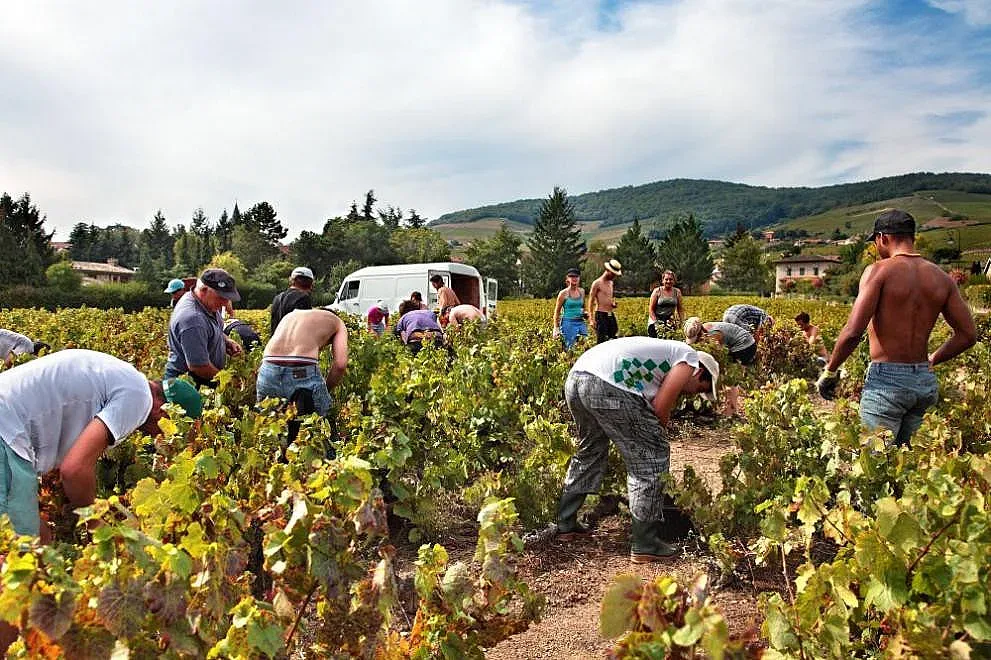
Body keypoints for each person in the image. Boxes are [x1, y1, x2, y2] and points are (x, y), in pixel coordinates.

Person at [0, 349, 202, 538]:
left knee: (37, 540)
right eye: (169, 430)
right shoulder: (140, 398)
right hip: (7, 431)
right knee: (27, 550)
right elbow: (74, 469)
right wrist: (95, 522)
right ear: (164, 410)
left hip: (9, 425)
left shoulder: (124, 378)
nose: (161, 438)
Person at [817, 209, 977, 446]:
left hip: (886, 382)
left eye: (876, 243)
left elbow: (852, 332)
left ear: (883, 238)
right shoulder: (942, 278)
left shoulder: (878, 271)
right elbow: (967, 335)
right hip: (924, 382)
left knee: (874, 469)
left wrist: (830, 371)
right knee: (911, 466)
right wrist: (932, 360)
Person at [555, 338, 719, 562]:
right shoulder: (688, 358)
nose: (692, 395)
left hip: (577, 377)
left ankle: (566, 523)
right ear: (700, 374)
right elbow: (660, 411)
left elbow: (649, 412)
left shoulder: (661, 358)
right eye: (700, 389)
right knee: (652, 456)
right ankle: (645, 543)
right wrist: (652, 450)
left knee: (590, 450)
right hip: (606, 384)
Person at [256, 307, 349, 418]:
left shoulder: (291, 315)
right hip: (300, 370)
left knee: (269, 425)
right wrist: (326, 389)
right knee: (324, 421)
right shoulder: (338, 322)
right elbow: (340, 364)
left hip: (267, 369)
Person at [165, 268, 244, 387]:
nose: (225, 302)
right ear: (203, 290)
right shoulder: (193, 318)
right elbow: (199, 367)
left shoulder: (206, 304)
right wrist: (229, 382)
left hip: (201, 381)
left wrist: (226, 340)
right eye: (221, 297)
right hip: (188, 386)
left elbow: (209, 328)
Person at [683, 317, 757, 365]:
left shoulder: (714, 334)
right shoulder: (705, 328)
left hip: (746, 346)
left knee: (730, 365)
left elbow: (719, 354)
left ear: (701, 332)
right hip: (744, 342)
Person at [271, 266, 314, 333]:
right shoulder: (303, 298)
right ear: (310, 283)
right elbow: (304, 327)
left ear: (292, 280)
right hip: (293, 342)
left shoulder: (278, 297)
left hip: (276, 341)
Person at [588, 259, 623, 343]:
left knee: (614, 335)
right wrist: (591, 319)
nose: (614, 276)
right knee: (602, 339)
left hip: (610, 314)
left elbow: (608, 297)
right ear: (607, 270)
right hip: (600, 314)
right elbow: (591, 301)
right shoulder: (597, 283)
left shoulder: (611, 283)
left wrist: (613, 304)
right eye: (613, 274)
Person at [553, 268, 588, 349]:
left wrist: (585, 313)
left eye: (576, 276)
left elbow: (583, 307)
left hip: (580, 322)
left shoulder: (582, 291)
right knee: (570, 348)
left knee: (585, 345)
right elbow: (557, 312)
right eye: (572, 276)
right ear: (567, 279)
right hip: (568, 323)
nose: (574, 278)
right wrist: (556, 328)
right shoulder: (563, 293)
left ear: (579, 278)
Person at [647, 271, 684, 336]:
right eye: (666, 279)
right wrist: (656, 323)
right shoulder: (657, 291)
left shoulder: (677, 292)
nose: (668, 281)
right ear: (662, 281)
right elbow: (651, 310)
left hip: (669, 320)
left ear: (674, 281)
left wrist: (682, 322)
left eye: (671, 279)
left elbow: (680, 309)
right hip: (656, 318)